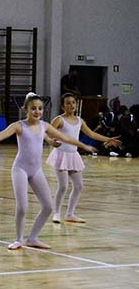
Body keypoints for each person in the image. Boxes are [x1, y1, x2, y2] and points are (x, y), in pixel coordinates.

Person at [0, 92, 96, 250]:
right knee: (23, 207)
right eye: (33, 109)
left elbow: (64, 138)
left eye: (40, 109)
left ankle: (33, 238)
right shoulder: (19, 126)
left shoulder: (44, 126)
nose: (37, 112)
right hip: (20, 169)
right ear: (26, 110)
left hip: (36, 170)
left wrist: (84, 146)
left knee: (48, 206)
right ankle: (19, 239)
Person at [47, 92, 120, 224]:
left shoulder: (79, 121)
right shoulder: (59, 120)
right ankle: (56, 213)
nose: (71, 105)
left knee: (79, 186)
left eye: (73, 102)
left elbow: (91, 134)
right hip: (61, 155)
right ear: (63, 106)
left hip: (73, 156)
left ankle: (70, 214)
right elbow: (47, 132)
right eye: (68, 103)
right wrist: (51, 141)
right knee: (63, 186)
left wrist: (108, 138)